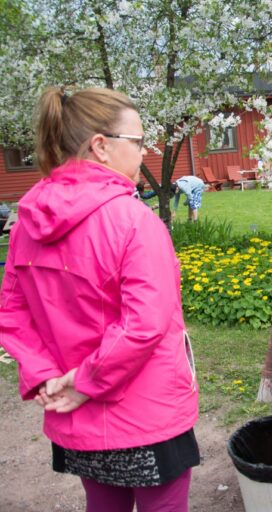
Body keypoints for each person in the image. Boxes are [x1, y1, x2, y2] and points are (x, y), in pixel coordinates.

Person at [0, 87, 200, 511]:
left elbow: (12, 313)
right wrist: (84, 385)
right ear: (101, 146)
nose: (146, 153)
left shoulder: (25, 224)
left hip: (78, 418)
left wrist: (45, 375)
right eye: (139, 141)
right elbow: (145, 325)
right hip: (146, 416)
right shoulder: (133, 221)